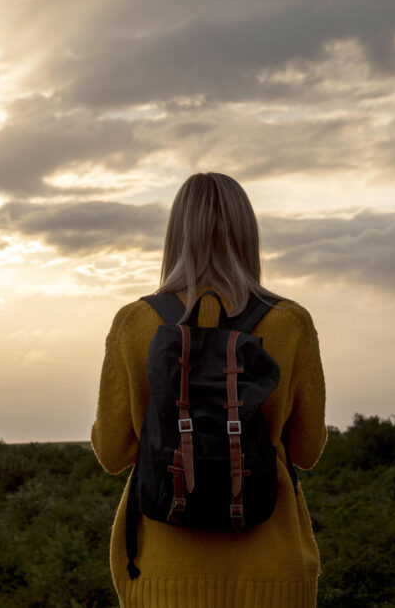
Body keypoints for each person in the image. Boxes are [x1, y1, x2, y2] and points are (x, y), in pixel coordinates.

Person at [91, 172, 327, 608]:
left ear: (174, 237)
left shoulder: (135, 323)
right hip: (272, 574)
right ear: (247, 234)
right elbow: (308, 451)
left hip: (160, 572)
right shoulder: (290, 323)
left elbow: (112, 453)